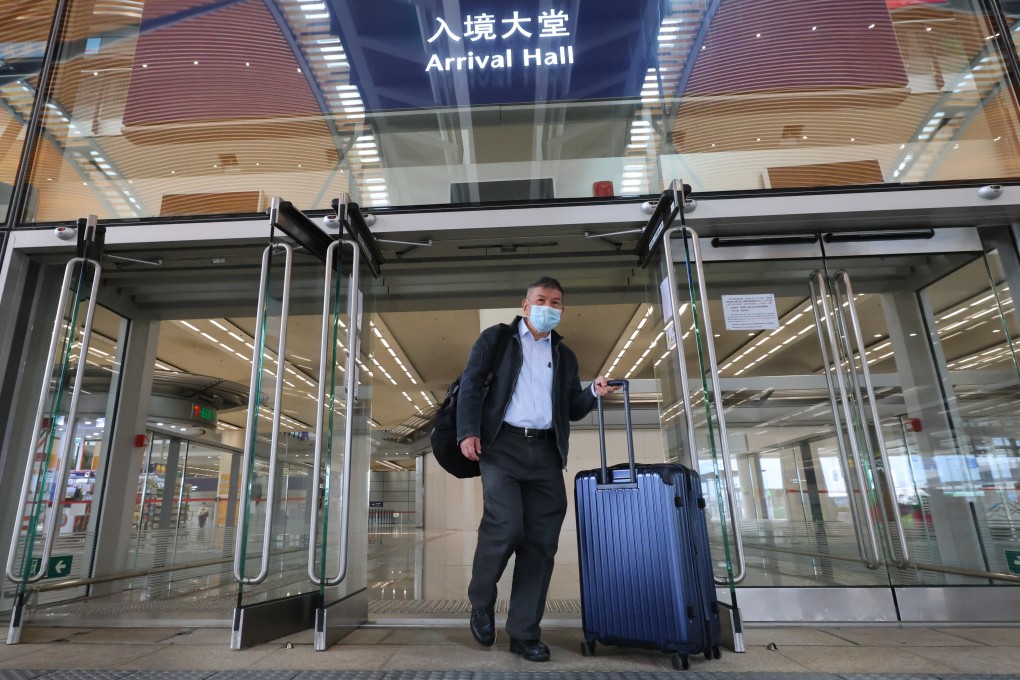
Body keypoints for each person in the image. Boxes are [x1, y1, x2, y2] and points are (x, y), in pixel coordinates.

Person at [457, 276, 619, 662]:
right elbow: (471, 384)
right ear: (526, 305)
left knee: (541, 543)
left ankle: (523, 632)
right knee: (506, 524)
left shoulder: (565, 355)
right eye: (542, 299)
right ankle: (481, 601)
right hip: (502, 445)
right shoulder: (496, 340)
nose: (549, 306)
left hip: (546, 452)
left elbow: (571, 408)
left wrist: (592, 393)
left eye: (557, 302)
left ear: (562, 310)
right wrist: (467, 431)